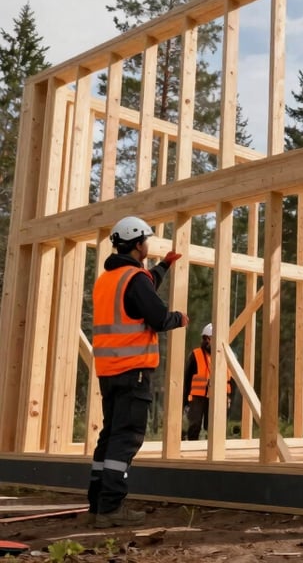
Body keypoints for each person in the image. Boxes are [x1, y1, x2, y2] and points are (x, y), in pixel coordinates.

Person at [88, 216, 188, 528]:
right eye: (146, 240)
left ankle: (97, 503)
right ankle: (111, 507)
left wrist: (165, 266)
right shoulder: (134, 278)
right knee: (126, 438)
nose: (149, 245)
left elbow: (142, 288)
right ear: (137, 244)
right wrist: (178, 318)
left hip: (109, 370)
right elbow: (157, 317)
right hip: (134, 371)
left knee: (110, 435)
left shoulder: (110, 278)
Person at [183, 322, 233, 440]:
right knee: (195, 425)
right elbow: (187, 379)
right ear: (205, 339)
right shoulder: (196, 355)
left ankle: (214, 451)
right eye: (209, 339)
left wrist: (229, 396)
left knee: (214, 426)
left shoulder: (226, 355)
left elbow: (231, 380)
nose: (209, 342)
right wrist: (185, 401)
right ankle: (192, 449)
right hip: (197, 397)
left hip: (218, 396)